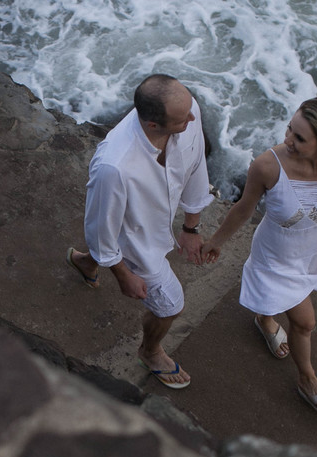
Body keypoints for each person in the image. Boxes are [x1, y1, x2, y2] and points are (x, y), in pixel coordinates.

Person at [202, 96, 317, 417]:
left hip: (315, 251)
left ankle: (265, 318)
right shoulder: (267, 166)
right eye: (290, 129)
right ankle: (307, 378)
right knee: (305, 321)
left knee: (281, 309)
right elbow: (243, 209)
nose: (288, 140)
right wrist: (216, 241)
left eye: (299, 138)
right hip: (277, 257)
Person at [65, 74, 214, 389]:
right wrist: (123, 275)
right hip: (135, 241)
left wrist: (191, 226)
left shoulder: (189, 111)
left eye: (190, 108)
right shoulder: (113, 167)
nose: (193, 117)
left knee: (109, 238)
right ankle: (150, 351)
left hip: (154, 215)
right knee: (171, 305)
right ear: (153, 126)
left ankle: (85, 263)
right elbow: (100, 230)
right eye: (182, 117)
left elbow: (197, 163)